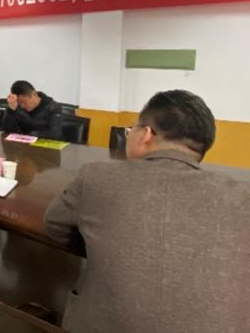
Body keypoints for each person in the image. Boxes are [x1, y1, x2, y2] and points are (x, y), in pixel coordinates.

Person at [43, 90, 250, 333]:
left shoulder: (98, 177)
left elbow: (54, 225)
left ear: (146, 134)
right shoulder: (242, 195)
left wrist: (104, 243)